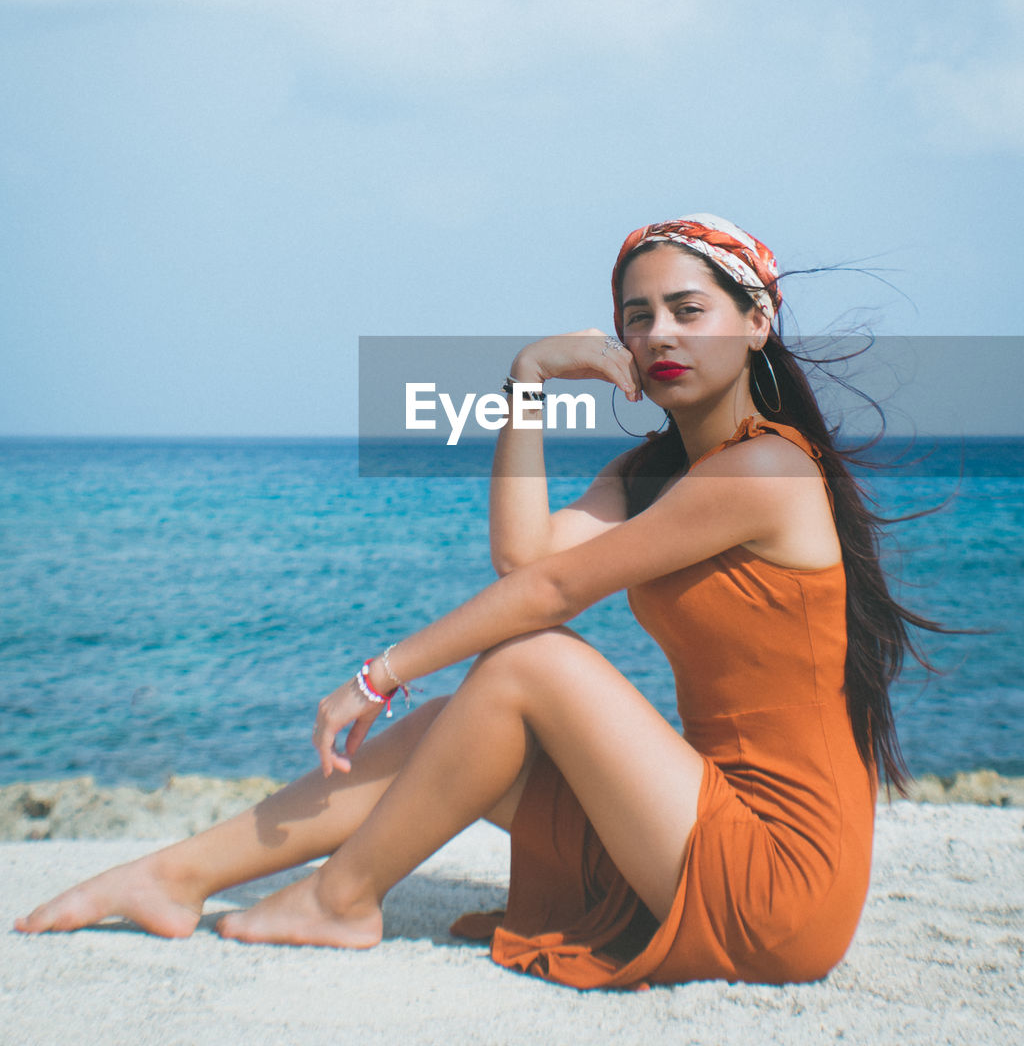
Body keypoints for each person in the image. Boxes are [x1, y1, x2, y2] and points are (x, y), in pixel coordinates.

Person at [15, 213, 935, 990]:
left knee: (533, 660)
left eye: (689, 310)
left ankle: (340, 900)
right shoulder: (653, 473)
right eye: (637, 315)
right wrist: (527, 378)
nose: (659, 335)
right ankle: (173, 876)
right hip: (701, 821)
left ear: (756, 321)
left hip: (779, 879)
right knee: (457, 723)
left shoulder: (766, 468)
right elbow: (523, 555)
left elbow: (552, 593)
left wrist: (379, 675)